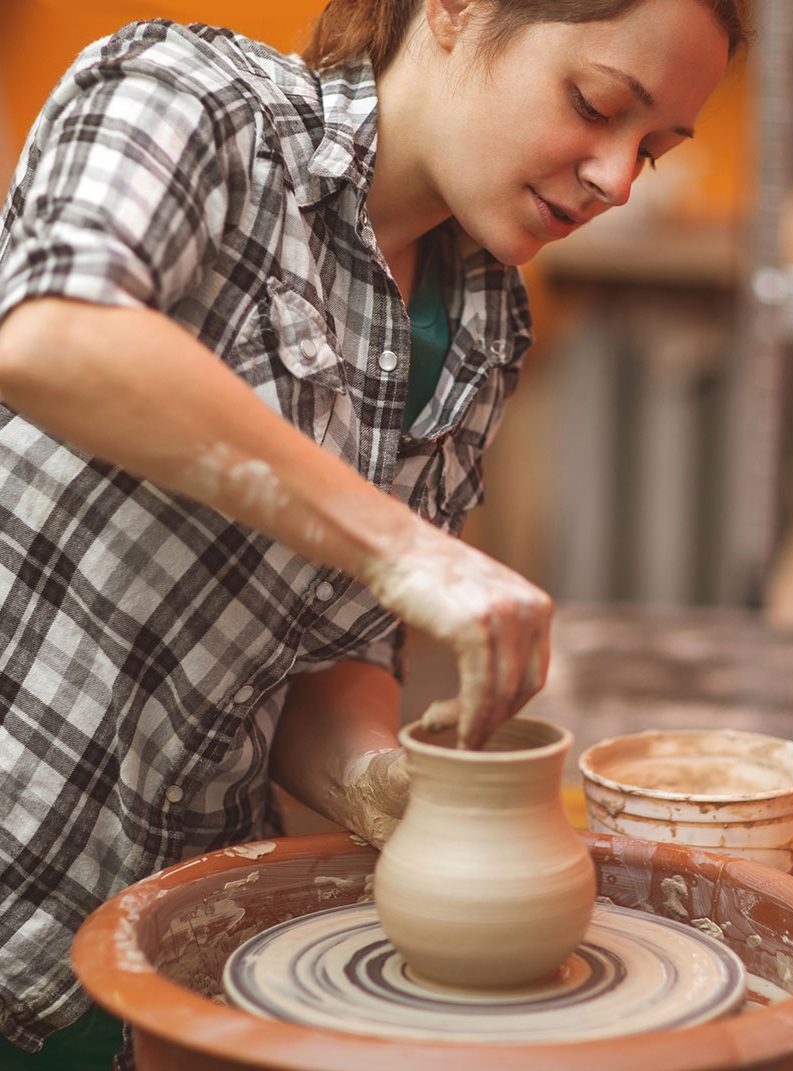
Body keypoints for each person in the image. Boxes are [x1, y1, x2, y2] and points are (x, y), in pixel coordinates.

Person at [0, 0, 745, 1064]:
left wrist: (389, 790)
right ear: (454, 11)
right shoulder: (196, 101)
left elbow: (330, 651)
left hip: (162, 955)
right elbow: (50, 333)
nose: (616, 180)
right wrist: (405, 547)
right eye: (596, 105)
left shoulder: (485, 317)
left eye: (656, 152)